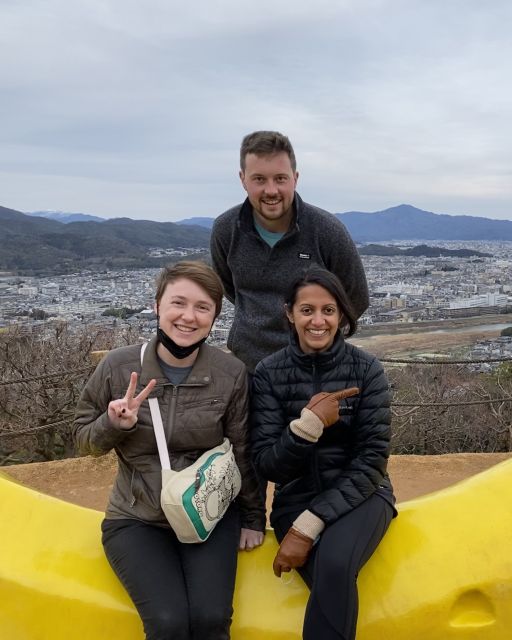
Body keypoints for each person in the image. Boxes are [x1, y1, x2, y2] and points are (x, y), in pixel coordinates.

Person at [72, 261, 266, 640]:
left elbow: (242, 448)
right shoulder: (118, 366)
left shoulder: (230, 373)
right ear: (157, 305)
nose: (188, 317)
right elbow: (82, 438)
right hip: (137, 516)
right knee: (167, 622)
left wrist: (253, 518)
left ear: (214, 317)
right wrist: (112, 424)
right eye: (178, 303)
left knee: (211, 619)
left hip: (208, 512)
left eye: (202, 307)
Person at [251, 266, 396, 640]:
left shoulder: (366, 370)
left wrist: (308, 526)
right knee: (331, 585)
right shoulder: (268, 373)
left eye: (328, 310)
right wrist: (306, 429)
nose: (318, 321)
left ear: (341, 315)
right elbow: (267, 464)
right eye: (307, 310)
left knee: (333, 564)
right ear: (289, 314)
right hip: (295, 498)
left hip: (364, 496)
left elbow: (372, 460)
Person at [210, 130, 369, 373]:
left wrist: (317, 337)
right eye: (259, 179)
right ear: (243, 179)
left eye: (280, 179)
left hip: (314, 368)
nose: (271, 190)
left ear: (295, 178)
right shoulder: (226, 229)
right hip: (249, 368)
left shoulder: (327, 230)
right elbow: (231, 290)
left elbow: (356, 298)